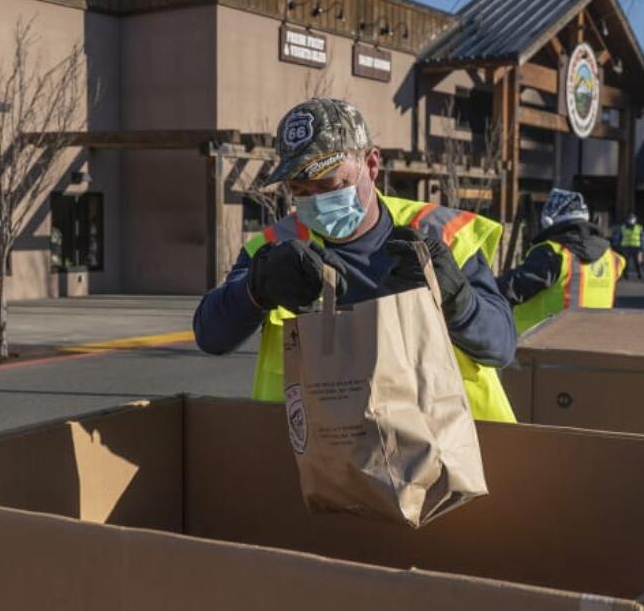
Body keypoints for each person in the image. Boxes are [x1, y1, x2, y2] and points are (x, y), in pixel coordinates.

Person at [194, 98, 517, 422]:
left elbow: (500, 346)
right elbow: (211, 335)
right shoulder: (276, 249)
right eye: (300, 190)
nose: (316, 201)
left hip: (443, 445)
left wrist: (458, 300)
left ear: (371, 164)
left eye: (328, 184)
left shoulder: (444, 236)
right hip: (325, 450)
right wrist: (255, 289)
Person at [498, 189, 623, 335]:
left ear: (548, 220)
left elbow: (513, 288)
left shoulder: (552, 254)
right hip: (594, 344)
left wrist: (480, 285)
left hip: (542, 345)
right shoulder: (612, 258)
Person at [614, 214, 644, 280]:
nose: (631, 220)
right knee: (625, 262)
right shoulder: (623, 228)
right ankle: (626, 275)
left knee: (638, 262)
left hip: (636, 247)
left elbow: (642, 238)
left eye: (632, 218)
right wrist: (616, 245)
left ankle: (640, 274)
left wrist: (642, 248)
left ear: (635, 219)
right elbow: (618, 237)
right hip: (626, 247)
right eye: (630, 219)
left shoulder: (639, 228)